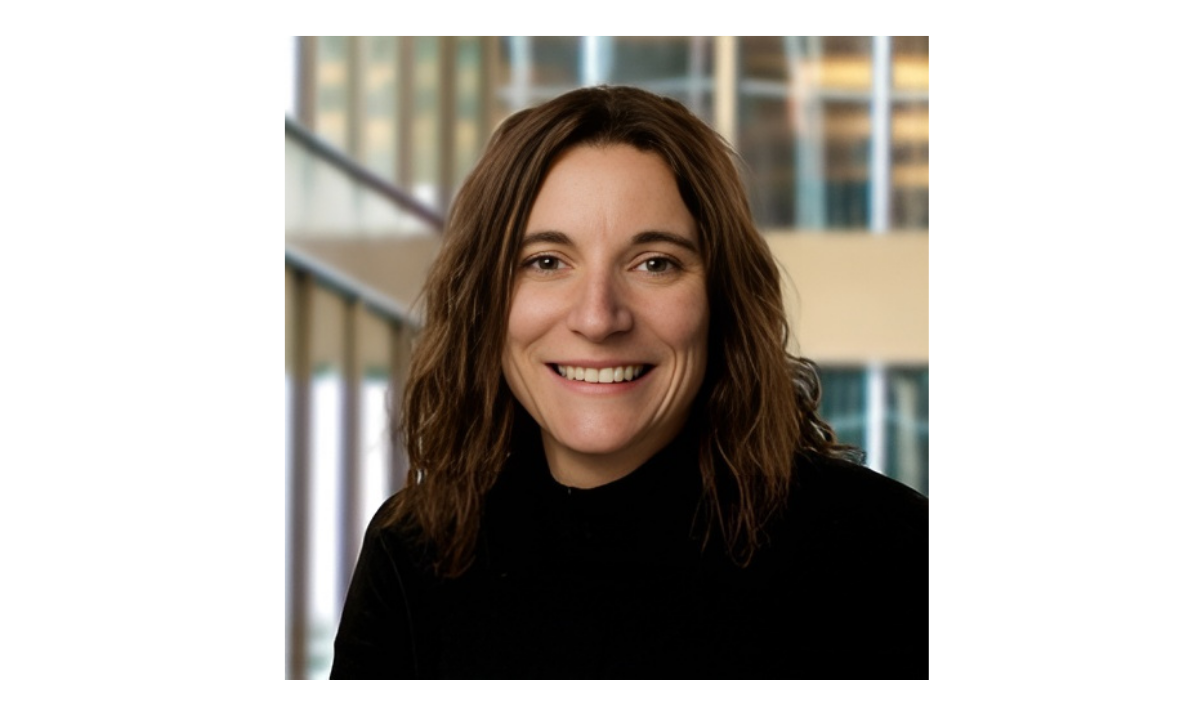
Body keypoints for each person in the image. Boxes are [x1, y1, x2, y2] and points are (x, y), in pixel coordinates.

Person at [330, 86, 927, 679]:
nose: (597, 317)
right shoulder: (413, 553)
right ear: (486, 300)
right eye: (545, 262)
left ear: (721, 299)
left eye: (655, 263)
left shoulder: (889, 554)